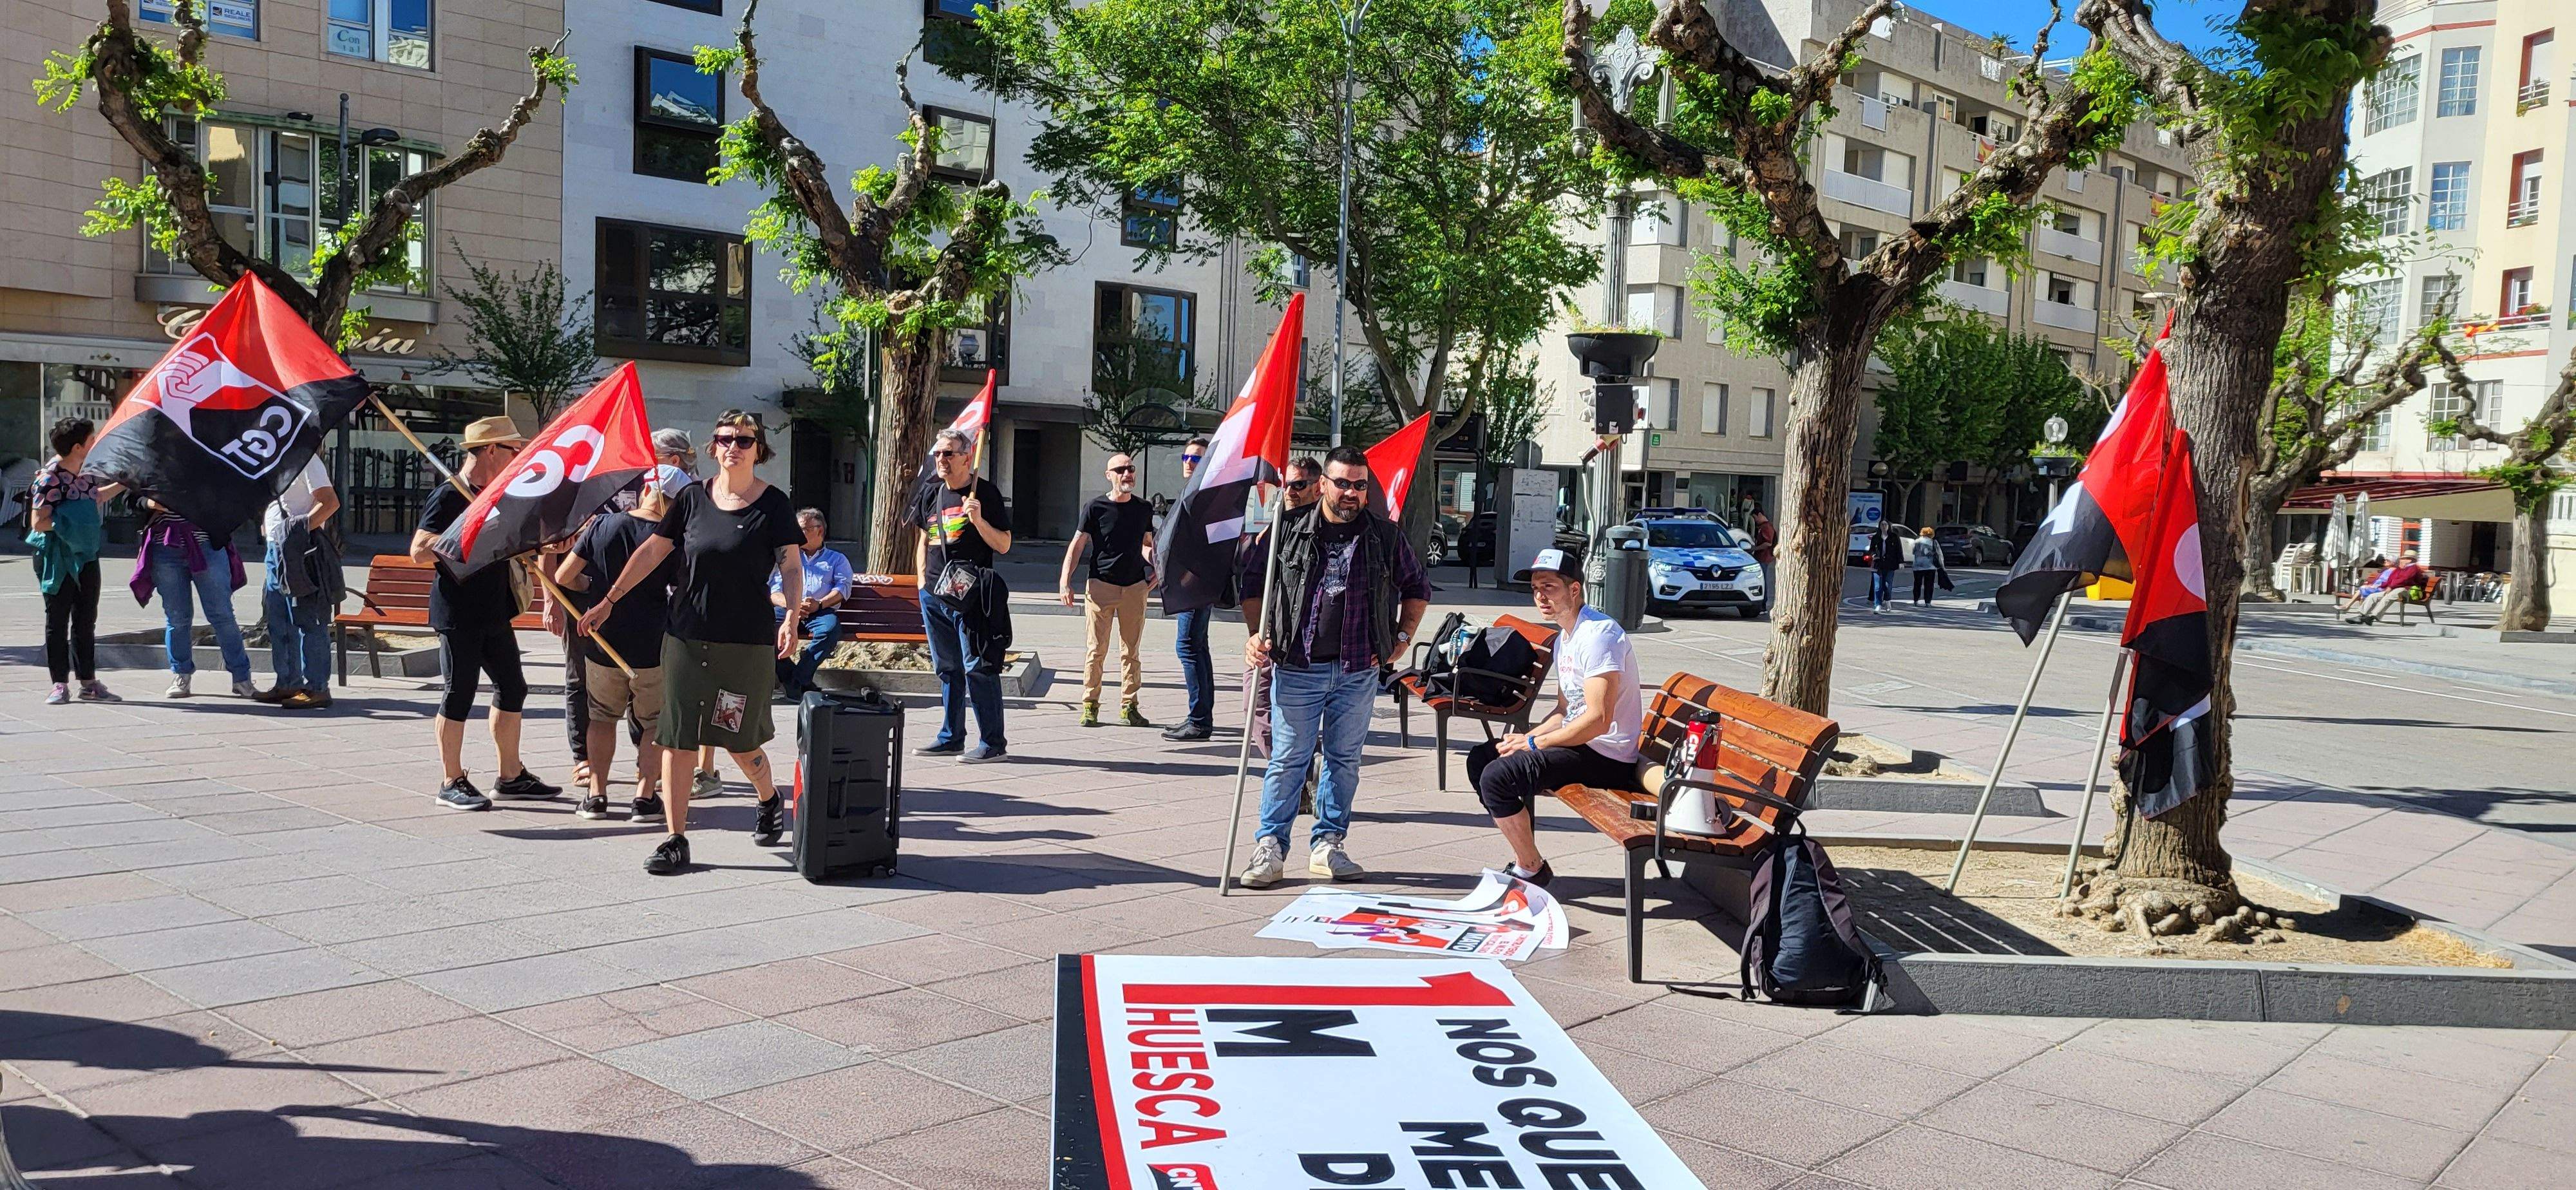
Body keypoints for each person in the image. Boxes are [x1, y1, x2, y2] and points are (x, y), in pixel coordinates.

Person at [581, 411, 804, 874]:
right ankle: (675, 839)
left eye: (744, 440)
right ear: (713, 447)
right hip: (685, 638)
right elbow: (652, 551)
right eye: (724, 439)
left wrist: (792, 617)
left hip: (744, 645)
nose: (733, 447)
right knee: (677, 738)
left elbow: (790, 566)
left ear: (759, 449)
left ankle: (768, 798)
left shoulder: (774, 504)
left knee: (739, 740)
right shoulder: (690, 498)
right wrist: (609, 600)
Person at [1236, 446, 1430, 887]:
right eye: (1342, 483)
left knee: (1344, 760)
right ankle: (1270, 848)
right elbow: (1252, 585)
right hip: (1297, 665)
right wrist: (1255, 634)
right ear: (1323, 484)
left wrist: (1402, 638)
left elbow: (1417, 586)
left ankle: (1328, 844)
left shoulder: (1385, 536)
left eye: (1359, 485)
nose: (1350, 493)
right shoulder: (1286, 530)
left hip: (1358, 669)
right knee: (1289, 759)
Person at [1463, 548, 1643, 886]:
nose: (1540, 597)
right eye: (1535, 589)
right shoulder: (1566, 636)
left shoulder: (1599, 635)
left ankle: (1530, 868)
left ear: (1574, 590)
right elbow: (1564, 710)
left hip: (1607, 756)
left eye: (1549, 587)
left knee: (1498, 777)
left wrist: (1535, 743)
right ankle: (1529, 861)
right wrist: (1527, 738)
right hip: (1579, 744)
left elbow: (1598, 720)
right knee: (1483, 759)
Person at [413, 415, 560, 811]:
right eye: (514, 450)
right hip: (458, 610)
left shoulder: (499, 494)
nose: (518, 457)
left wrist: (542, 544)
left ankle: (510, 776)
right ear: (492, 450)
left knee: (513, 688)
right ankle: (450, 780)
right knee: (458, 692)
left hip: (494, 607)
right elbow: (419, 551)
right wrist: (468, 528)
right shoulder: (450, 495)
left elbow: (509, 542)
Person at [556, 483, 679, 822]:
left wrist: (591, 588)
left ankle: (597, 795)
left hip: (604, 641)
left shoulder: (602, 525)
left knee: (601, 717)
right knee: (653, 721)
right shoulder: (671, 539)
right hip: (652, 641)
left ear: (646, 490)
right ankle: (645, 798)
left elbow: (564, 575)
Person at [914, 428, 1014, 761]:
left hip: (970, 596)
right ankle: (951, 736)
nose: (941, 459)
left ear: (967, 457)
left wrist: (978, 520)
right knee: (948, 669)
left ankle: (992, 743)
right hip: (934, 594)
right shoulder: (931, 492)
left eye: (949, 453)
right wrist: (921, 583)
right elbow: (923, 539)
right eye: (938, 454)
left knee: (978, 667)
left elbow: (1004, 544)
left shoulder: (985, 493)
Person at [29, 418, 119, 704]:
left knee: (86, 619)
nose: (96, 443)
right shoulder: (49, 478)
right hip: (58, 559)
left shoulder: (88, 472)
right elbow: (38, 523)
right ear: (78, 447)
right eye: (92, 439)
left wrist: (124, 484)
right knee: (57, 620)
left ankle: (89, 683)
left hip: (87, 555)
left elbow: (95, 498)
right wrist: (72, 525)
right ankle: (59, 683)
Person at [1061, 453, 1156, 728]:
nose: (1127, 474)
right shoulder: (1095, 507)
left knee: (1131, 651)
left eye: (1131, 469)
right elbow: (1078, 544)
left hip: (1134, 588)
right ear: (1109, 475)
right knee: (1096, 650)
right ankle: (1090, 705)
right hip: (1100, 586)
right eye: (1121, 470)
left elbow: (1146, 544)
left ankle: (1130, 706)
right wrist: (1065, 580)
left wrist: (1158, 568)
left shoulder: (1143, 508)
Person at [132, 496, 256, 699]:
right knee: (177, 618)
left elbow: (234, 495)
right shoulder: (154, 474)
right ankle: (181, 674)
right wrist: (149, 503)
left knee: (222, 615)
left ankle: (242, 678)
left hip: (207, 545)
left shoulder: (212, 473)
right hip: (165, 548)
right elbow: (132, 496)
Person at [255, 457, 341, 709]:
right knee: (279, 620)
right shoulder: (273, 461)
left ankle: (317, 688)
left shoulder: (307, 460)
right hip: (275, 549)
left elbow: (330, 502)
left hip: (299, 550)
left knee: (308, 620)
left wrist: (298, 531)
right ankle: (288, 683)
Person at [1163, 435, 1218, 741]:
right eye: (1186, 458)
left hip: (1195, 583)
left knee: (1188, 647)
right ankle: (1200, 716)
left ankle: (1199, 721)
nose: (1189, 463)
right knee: (1197, 646)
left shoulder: (1205, 494)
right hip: (1194, 581)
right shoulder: (1197, 491)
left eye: (1196, 458)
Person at [774, 508, 853, 697]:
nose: (797, 533)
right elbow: (773, 590)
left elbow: (843, 588)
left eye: (803, 529)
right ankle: (796, 681)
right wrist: (792, 604)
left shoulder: (837, 559)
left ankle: (796, 680)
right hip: (787, 609)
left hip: (819, 611)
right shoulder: (788, 557)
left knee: (830, 630)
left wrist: (819, 604)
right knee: (765, 629)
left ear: (820, 530)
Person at [2344, 551, 2428, 625]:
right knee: (2373, 596)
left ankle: (2372, 617)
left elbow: (2404, 580)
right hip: (2396, 588)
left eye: (2404, 558)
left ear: (2410, 560)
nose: (2401, 560)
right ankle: (2361, 616)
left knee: (2389, 596)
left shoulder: (2414, 568)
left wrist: (2391, 587)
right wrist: (2384, 586)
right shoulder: (2403, 568)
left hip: (2408, 590)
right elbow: (2392, 578)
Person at [1870, 522, 1904, 613]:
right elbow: (1871, 549)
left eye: (1886, 524)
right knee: (1877, 586)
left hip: (1890, 564)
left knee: (1887, 585)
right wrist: (1873, 555)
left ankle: (1888, 600)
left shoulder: (1894, 537)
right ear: (1880, 526)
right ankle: (1878, 605)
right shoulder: (1876, 537)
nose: (1884, 526)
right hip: (1878, 564)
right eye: (1882, 525)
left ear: (1889, 526)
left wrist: (1901, 562)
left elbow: (1899, 550)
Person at [1909, 525, 1944, 607]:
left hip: (1917, 566)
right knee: (1929, 585)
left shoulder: (1916, 541)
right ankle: (1928, 602)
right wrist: (1941, 565)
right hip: (1930, 566)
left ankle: (1916, 600)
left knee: (1917, 584)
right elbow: (1939, 554)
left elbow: (1913, 552)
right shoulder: (1933, 542)